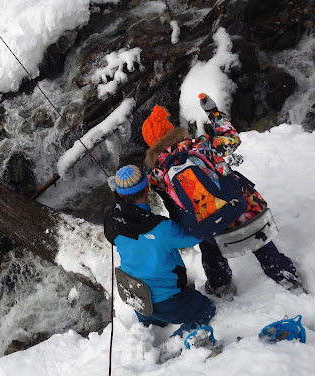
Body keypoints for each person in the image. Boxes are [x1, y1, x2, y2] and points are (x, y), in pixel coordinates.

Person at [142, 94, 303, 299]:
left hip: (211, 227)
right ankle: (285, 275)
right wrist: (213, 112)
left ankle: (221, 285)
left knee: (208, 245)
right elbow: (232, 138)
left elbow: (140, 190)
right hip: (242, 212)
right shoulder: (201, 145)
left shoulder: (157, 173)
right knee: (259, 238)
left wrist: (121, 184)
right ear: (173, 132)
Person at [103, 165, 216, 337]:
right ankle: (176, 341)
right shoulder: (162, 228)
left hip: (137, 297)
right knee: (206, 308)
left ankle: (153, 323)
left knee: (154, 314)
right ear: (147, 187)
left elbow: (117, 230)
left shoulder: (111, 218)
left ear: (119, 194)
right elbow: (194, 236)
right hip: (168, 301)